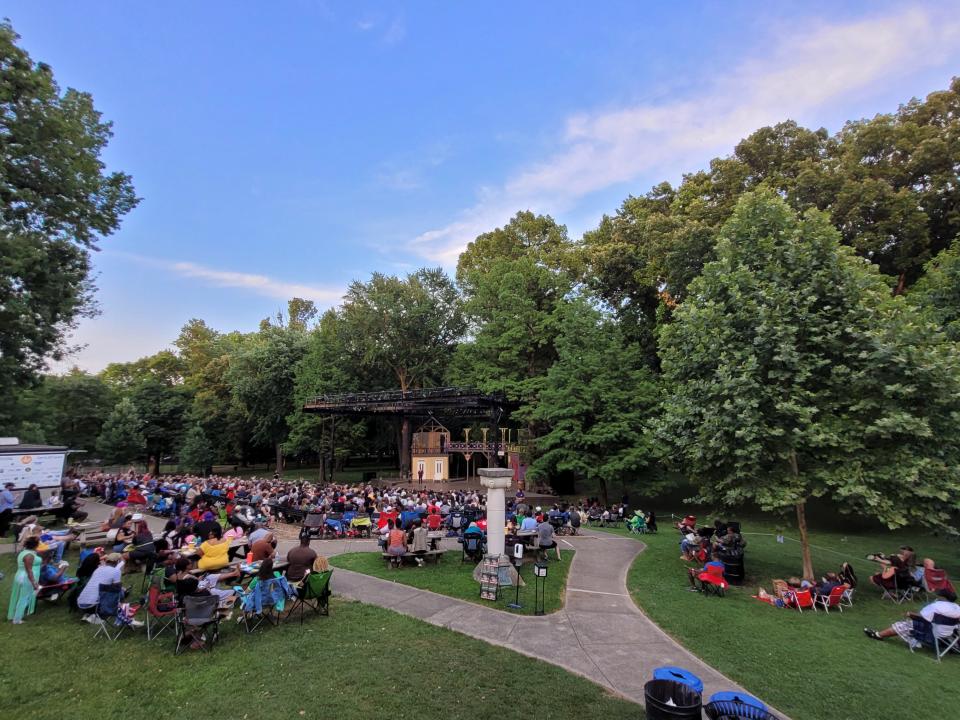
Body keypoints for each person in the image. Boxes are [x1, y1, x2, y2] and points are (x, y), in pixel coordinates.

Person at [865, 589, 960, 646]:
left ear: (943, 597)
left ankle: (878, 635)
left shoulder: (936, 606)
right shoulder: (957, 608)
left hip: (931, 635)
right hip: (947, 635)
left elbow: (922, 618)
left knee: (905, 624)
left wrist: (910, 614)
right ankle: (915, 642)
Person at [8, 536, 42, 624]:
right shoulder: (29, 555)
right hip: (25, 577)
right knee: (24, 597)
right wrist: (34, 583)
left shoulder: (25, 552)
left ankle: (14, 615)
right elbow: (29, 570)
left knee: (19, 596)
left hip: (20, 575)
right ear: (36, 545)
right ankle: (17, 619)